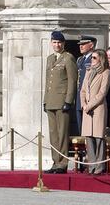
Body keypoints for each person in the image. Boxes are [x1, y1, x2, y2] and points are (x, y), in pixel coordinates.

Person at [43, 31, 78, 174]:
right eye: (54, 42)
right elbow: (48, 82)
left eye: (59, 43)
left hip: (62, 100)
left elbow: (72, 81)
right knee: (53, 134)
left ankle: (63, 163)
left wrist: (68, 100)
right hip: (51, 100)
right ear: (51, 43)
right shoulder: (50, 58)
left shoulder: (68, 58)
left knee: (62, 133)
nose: (57, 45)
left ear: (63, 44)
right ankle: (55, 161)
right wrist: (45, 100)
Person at [80, 49, 110, 175]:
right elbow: (82, 91)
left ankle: (99, 166)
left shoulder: (106, 73)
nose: (91, 60)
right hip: (87, 109)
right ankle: (91, 165)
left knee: (99, 138)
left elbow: (102, 93)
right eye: (91, 57)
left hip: (98, 109)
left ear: (101, 59)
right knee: (89, 137)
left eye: (94, 58)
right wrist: (84, 105)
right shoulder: (89, 71)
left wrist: (90, 105)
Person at [76, 35, 96, 135]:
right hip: (79, 97)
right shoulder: (80, 59)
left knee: (88, 128)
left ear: (91, 45)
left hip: (88, 98)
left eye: (83, 44)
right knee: (80, 127)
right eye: (80, 44)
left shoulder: (94, 59)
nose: (81, 46)